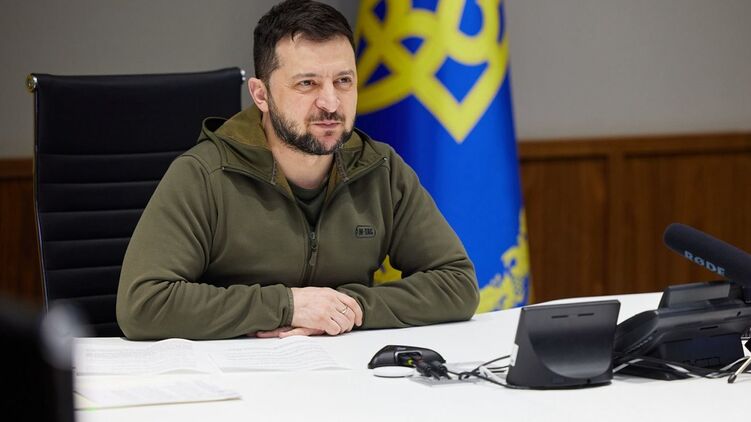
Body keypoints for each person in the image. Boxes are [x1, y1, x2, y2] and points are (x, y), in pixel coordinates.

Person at [116, 0, 479, 340]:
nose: (330, 103)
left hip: (341, 370)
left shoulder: (381, 169)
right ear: (261, 95)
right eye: (307, 83)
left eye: (343, 81)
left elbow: (457, 284)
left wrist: (342, 311)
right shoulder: (203, 175)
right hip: (236, 374)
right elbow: (144, 304)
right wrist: (287, 306)